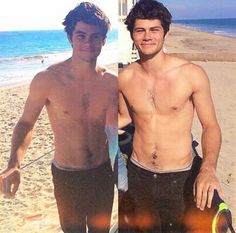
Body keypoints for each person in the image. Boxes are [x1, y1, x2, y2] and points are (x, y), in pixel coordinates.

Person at [0, 2, 117, 233]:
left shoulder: (112, 83)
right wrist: (14, 163)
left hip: (102, 172)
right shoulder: (47, 80)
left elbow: (113, 129)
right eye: (81, 35)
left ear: (104, 40)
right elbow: (26, 123)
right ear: (70, 38)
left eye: (95, 37)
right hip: (67, 176)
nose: (87, 43)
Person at [118, 0, 223, 232]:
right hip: (139, 175)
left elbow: (211, 126)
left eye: (154, 29)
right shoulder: (125, 77)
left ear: (165, 32)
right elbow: (125, 118)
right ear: (132, 35)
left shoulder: (191, 75)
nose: (147, 36)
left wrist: (208, 169)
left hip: (180, 177)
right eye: (140, 30)